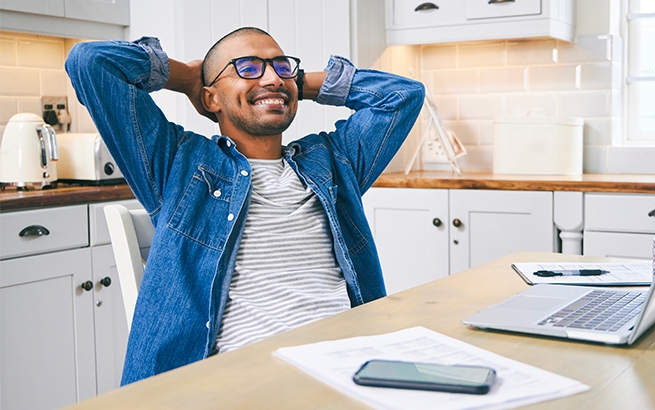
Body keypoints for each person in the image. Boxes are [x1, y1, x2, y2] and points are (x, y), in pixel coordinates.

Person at [65, 27, 425, 385]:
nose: (271, 77)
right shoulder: (178, 163)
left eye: (282, 66)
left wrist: (295, 82)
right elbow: (91, 62)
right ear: (211, 99)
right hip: (240, 381)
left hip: (349, 367)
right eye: (248, 68)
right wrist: (187, 77)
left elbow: (402, 96)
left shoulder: (332, 162)